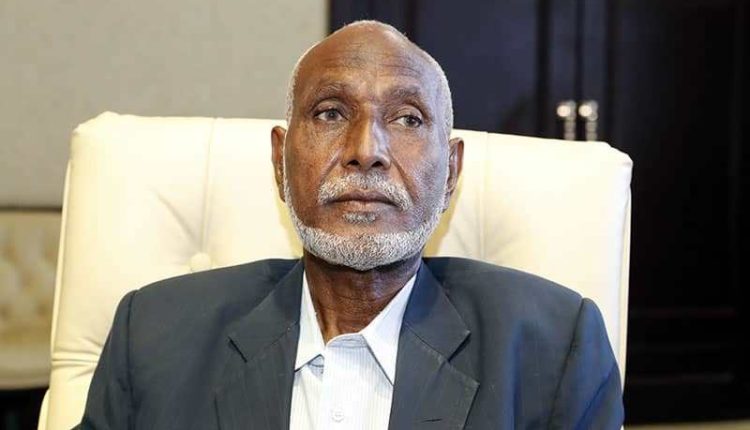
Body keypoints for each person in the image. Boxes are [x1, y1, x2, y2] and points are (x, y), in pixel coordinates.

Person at [78, 20, 623, 429]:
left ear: (451, 172)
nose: (367, 150)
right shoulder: (152, 336)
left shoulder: (555, 348)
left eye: (407, 118)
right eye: (331, 113)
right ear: (280, 161)